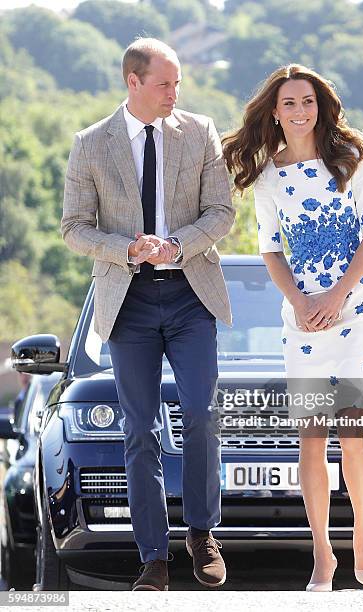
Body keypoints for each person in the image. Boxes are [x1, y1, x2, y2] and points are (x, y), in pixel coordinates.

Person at [62, 37, 235, 591]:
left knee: (202, 415)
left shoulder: (200, 132)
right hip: (128, 300)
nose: (174, 93)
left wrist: (177, 245)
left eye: (178, 82)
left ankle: (203, 533)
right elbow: (73, 228)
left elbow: (222, 212)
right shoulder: (90, 145)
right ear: (132, 81)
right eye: (164, 83)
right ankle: (153, 557)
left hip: (190, 294)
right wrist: (128, 249)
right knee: (140, 431)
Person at [223, 64, 363, 591]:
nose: (299, 111)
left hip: (356, 312)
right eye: (289, 103)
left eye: (308, 101)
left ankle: (362, 531)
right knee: (310, 439)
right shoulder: (269, 177)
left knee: (352, 431)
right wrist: (300, 302)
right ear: (274, 111)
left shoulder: (352, 160)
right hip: (303, 322)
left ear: (322, 106)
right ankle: (322, 554)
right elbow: (270, 250)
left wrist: (336, 295)